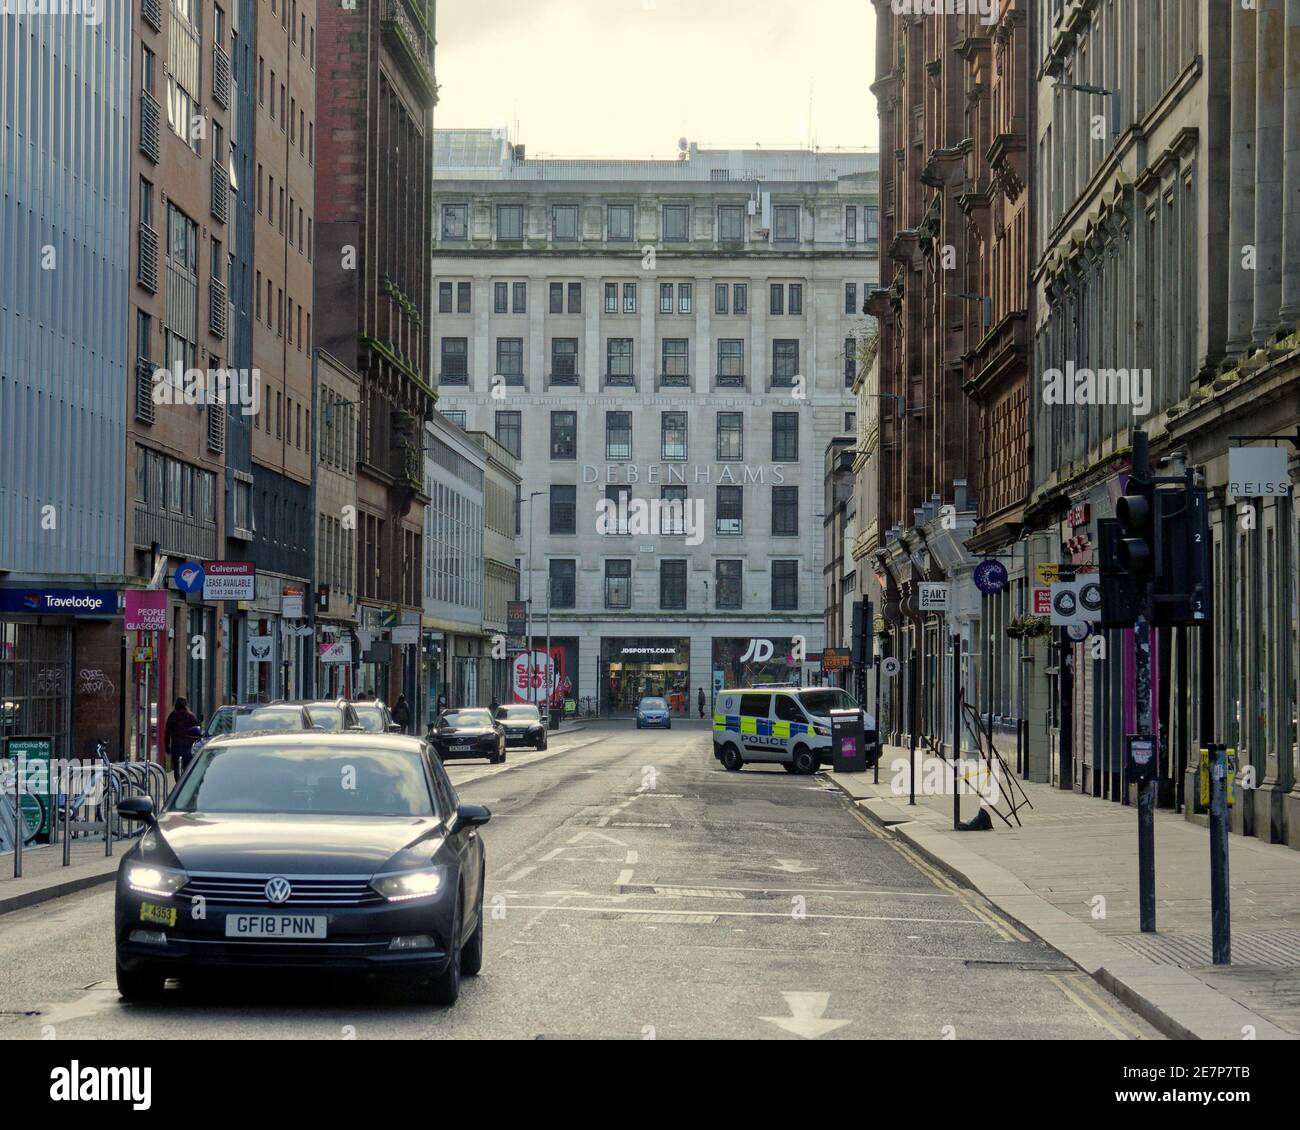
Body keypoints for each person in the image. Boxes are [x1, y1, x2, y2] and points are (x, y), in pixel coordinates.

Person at [165, 698, 200, 780]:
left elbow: (167, 732)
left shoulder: (172, 716)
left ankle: (178, 784)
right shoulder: (191, 717)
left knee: (177, 767)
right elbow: (197, 731)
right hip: (188, 745)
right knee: (188, 767)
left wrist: (166, 745)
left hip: (176, 745)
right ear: (186, 705)